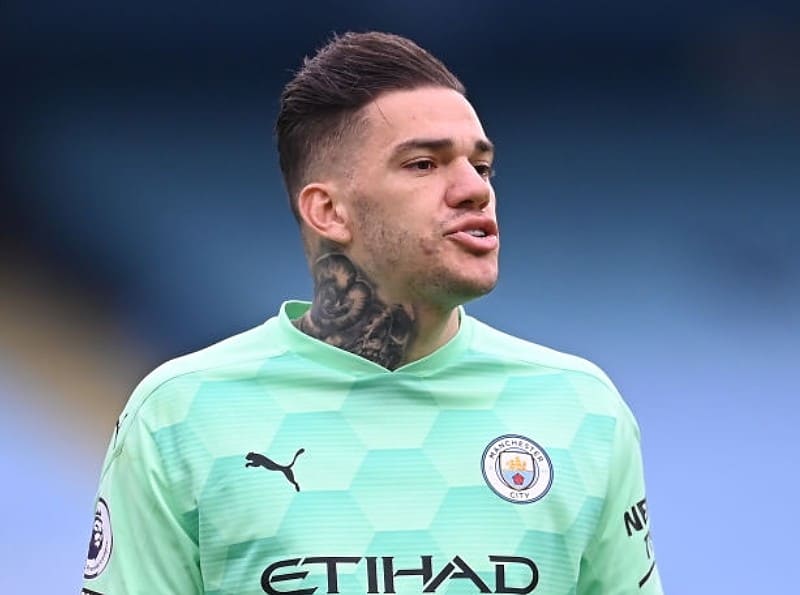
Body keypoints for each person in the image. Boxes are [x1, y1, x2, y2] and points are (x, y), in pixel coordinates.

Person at [81, 31, 663, 595]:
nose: (474, 190)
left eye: (481, 166)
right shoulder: (180, 414)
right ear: (328, 211)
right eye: (423, 164)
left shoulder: (582, 408)